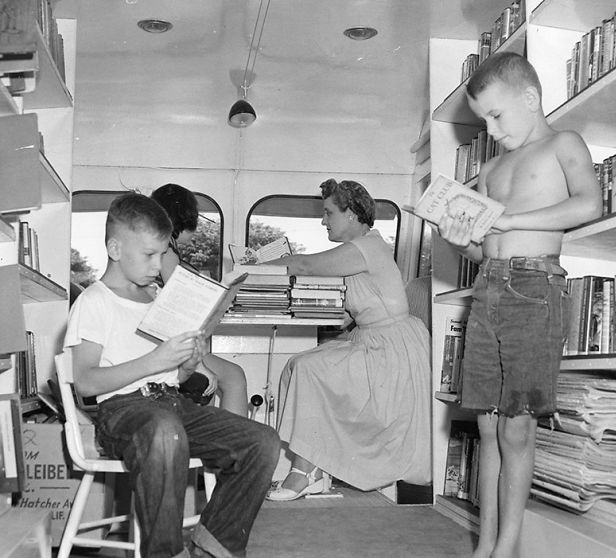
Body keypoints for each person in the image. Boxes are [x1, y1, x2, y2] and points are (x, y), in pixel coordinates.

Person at [437, 52, 602, 558]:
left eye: (496, 115)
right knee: (485, 422)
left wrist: (511, 223)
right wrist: (456, 236)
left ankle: (507, 547)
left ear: (530, 99)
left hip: (535, 288)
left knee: (517, 422)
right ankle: (484, 544)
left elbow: (589, 204)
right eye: (483, 119)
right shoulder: (488, 168)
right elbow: (479, 248)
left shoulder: (563, 143)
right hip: (488, 287)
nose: (490, 128)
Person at [64, 192, 280, 558]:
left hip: (171, 405)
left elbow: (174, 381)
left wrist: (186, 365)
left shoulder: (156, 300)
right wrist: (153, 360)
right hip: (123, 412)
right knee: (165, 431)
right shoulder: (94, 300)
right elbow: (85, 381)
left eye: (162, 253)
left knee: (262, 442)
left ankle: (214, 545)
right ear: (115, 249)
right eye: (149, 254)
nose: (157, 264)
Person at [265, 178, 432, 501]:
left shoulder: (365, 247)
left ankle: (304, 472)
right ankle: (312, 467)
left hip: (391, 351)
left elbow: (303, 264)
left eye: (328, 213)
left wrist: (251, 265)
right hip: (376, 342)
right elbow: (352, 312)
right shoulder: (363, 248)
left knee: (310, 368)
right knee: (301, 364)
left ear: (352, 214)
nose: (323, 221)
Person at [151, 183, 248, 416]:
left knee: (231, 376)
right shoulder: (167, 254)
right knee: (234, 378)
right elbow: (176, 310)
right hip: (167, 347)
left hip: (171, 343)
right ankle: (233, 449)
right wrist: (200, 365)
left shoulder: (166, 251)